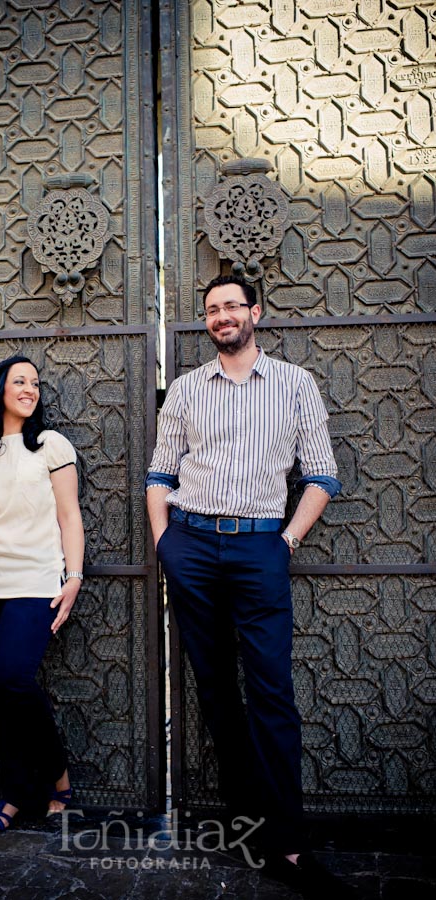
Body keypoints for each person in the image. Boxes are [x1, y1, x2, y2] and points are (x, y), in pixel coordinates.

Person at [146, 276, 355, 897]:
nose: (222, 317)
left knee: (271, 691)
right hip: (191, 546)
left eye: (232, 306)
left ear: (255, 313)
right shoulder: (185, 389)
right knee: (212, 685)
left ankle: (288, 844)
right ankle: (247, 822)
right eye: (212, 310)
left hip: (261, 546)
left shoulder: (295, 384)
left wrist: (286, 540)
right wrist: (165, 545)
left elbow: (322, 475)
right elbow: (160, 472)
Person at [0, 355, 84, 834]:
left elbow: (70, 517)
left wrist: (74, 578)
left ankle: (57, 774)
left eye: (36, 382)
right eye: (19, 380)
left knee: (12, 678)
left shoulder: (51, 445)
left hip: (35, 582)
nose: (30, 388)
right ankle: (12, 794)